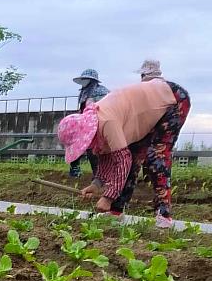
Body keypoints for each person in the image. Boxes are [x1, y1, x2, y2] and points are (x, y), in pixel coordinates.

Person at [57, 78, 191, 229]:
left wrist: (108, 197)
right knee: (133, 156)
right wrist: (97, 184)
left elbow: (122, 160)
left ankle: (164, 215)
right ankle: (116, 211)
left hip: (173, 100)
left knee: (156, 156)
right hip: (145, 113)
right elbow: (108, 157)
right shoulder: (97, 123)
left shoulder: (106, 121)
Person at [68, 68, 109, 177]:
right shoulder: (83, 92)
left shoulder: (102, 92)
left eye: (87, 79)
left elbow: (105, 108)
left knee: (94, 151)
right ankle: (75, 169)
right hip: (85, 123)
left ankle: (99, 175)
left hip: (97, 124)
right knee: (76, 145)